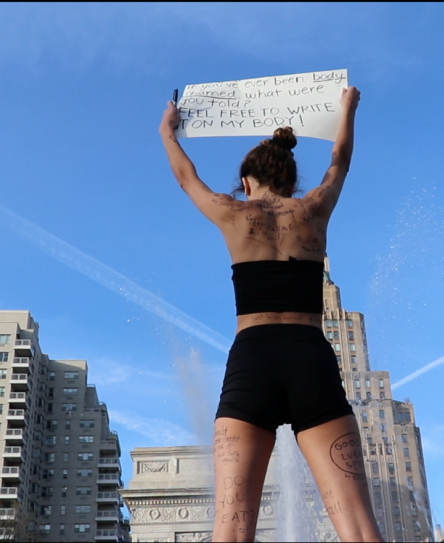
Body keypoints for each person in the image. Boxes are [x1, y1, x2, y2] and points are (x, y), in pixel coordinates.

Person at [159, 86, 381, 542]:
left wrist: (168, 133)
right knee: (359, 530)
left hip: (253, 361)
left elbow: (187, 179)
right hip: (310, 359)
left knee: (232, 530)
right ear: (291, 180)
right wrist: (348, 109)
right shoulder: (314, 209)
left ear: (245, 182)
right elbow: (339, 162)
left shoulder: (233, 214)